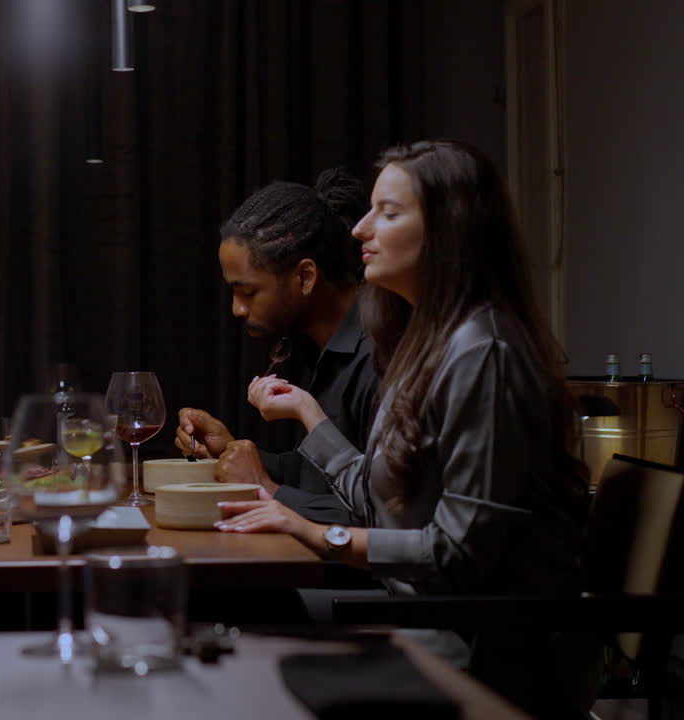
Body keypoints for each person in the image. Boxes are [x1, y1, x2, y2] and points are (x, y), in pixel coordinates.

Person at [229, 139, 595, 715]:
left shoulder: (484, 352)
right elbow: (384, 504)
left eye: (390, 212)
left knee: (239, 644)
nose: (359, 229)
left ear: (451, 231)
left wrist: (317, 533)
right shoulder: (425, 341)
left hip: (479, 646)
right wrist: (309, 413)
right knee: (230, 635)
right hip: (422, 615)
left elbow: (457, 558)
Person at [175, 169, 378, 524]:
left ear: (305, 277)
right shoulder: (315, 347)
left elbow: (381, 516)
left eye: (248, 292)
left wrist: (266, 490)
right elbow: (327, 476)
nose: (237, 309)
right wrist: (235, 451)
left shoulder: (381, 355)